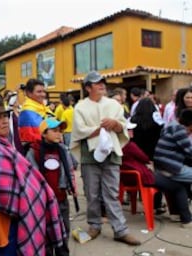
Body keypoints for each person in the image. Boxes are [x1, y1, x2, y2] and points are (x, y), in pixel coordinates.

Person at [0, 95, 66, 255]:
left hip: (5, 224)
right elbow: (5, 198)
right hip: (6, 225)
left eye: (6, 116)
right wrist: (31, 201)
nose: (5, 121)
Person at [71, 70, 140, 245]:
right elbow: (79, 131)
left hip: (111, 152)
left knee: (112, 192)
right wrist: (101, 128)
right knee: (92, 193)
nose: (102, 85)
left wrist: (115, 124)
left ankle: (120, 230)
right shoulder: (80, 107)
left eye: (103, 82)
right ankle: (94, 225)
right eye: (97, 82)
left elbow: (123, 128)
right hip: (90, 154)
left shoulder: (114, 105)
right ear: (88, 87)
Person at [26, 117, 78, 256]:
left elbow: (71, 167)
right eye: (54, 131)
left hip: (61, 198)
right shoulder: (34, 151)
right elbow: (31, 176)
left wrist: (72, 185)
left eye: (60, 131)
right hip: (43, 202)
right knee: (46, 233)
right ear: (43, 133)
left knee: (64, 229)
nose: (59, 134)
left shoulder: (62, 150)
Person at [18, 78, 53, 146]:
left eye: (44, 91)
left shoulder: (43, 107)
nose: (43, 94)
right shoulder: (27, 111)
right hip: (37, 150)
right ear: (29, 93)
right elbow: (31, 137)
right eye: (39, 92)